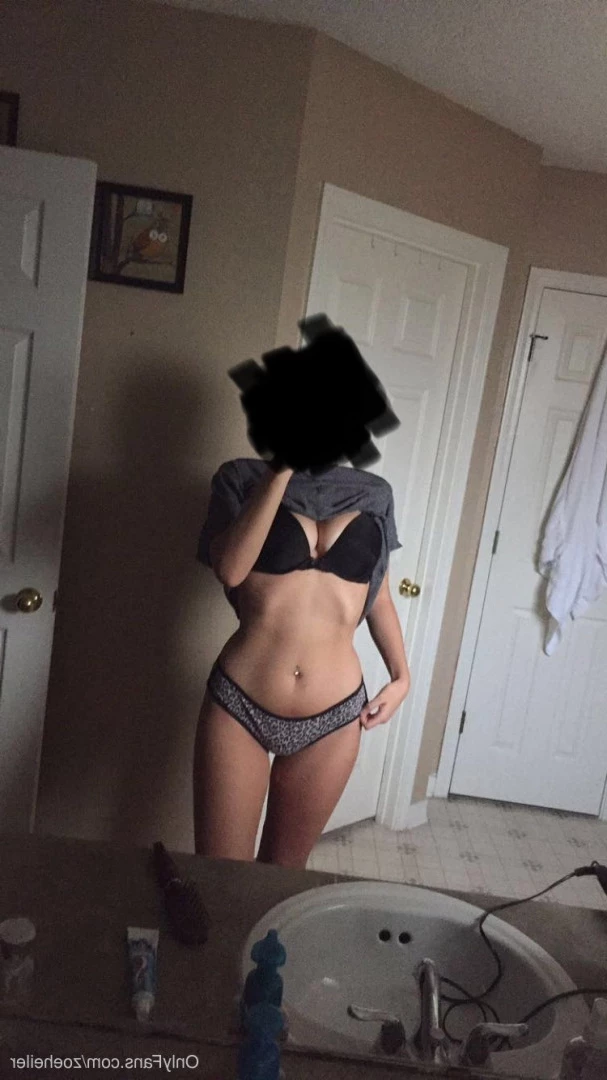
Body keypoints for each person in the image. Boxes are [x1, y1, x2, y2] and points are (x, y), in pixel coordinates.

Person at [193, 455, 410, 869]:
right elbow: (230, 570)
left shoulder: (374, 493)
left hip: (334, 718)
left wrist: (401, 676)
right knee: (221, 876)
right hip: (240, 705)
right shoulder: (240, 478)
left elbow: (378, 595)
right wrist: (280, 470)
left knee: (285, 876)